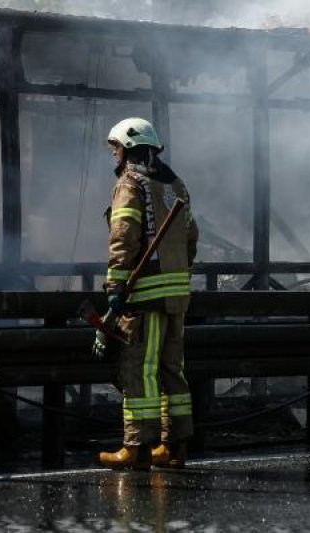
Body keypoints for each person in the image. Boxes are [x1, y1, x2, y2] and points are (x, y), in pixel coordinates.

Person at [94, 118, 199, 469]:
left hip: (145, 297)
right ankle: (174, 447)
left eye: (116, 149)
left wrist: (115, 289)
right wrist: (178, 275)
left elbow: (123, 238)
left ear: (128, 147)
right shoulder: (176, 184)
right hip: (176, 296)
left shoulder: (131, 184)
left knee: (141, 369)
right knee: (173, 369)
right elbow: (191, 237)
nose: (115, 156)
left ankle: (136, 448)